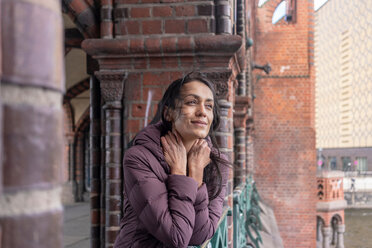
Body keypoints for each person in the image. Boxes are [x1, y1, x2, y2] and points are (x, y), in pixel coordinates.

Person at [114, 74, 230, 248]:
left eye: (209, 106)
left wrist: (196, 172)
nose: (202, 112)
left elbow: (200, 236)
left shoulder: (217, 163)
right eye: (192, 102)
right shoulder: (139, 158)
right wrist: (180, 172)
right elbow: (176, 237)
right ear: (168, 113)